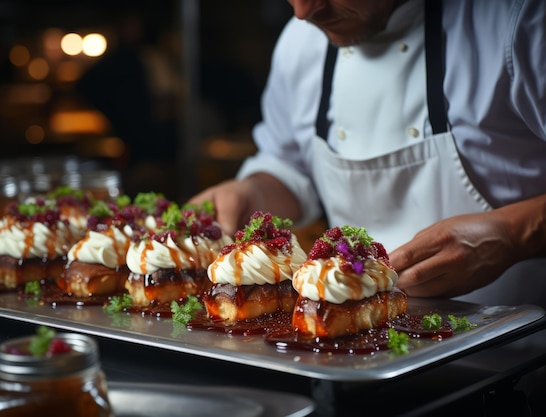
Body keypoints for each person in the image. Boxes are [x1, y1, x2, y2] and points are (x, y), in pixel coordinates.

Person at [188, 0, 546, 309]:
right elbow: (292, 167)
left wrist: (516, 234)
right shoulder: (301, 43)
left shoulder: (519, 21)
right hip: (351, 354)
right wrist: (251, 192)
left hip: (516, 357)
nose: (303, 11)